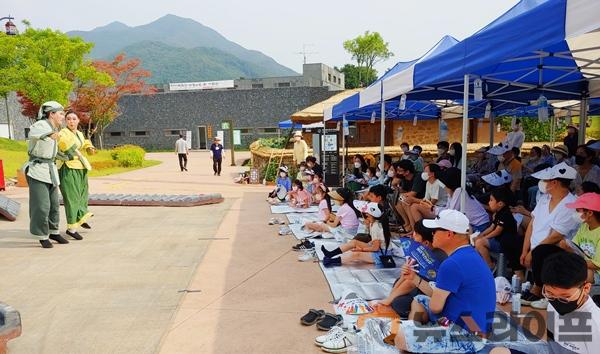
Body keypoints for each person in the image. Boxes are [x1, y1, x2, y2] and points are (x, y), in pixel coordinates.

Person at [394, 209, 496, 354]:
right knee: (419, 300)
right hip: (475, 326)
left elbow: (436, 307)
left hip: (467, 336)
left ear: (449, 234)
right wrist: (414, 279)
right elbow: (440, 296)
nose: (433, 233)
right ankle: (420, 337)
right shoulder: (470, 254)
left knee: (402, 336)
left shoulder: (452, 264)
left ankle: (418, 340)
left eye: (436, 230)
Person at [520, 162, 580, 308]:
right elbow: (532, 224)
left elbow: (555, 236)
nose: (542, 183)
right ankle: (524, 281)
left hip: (556, 249)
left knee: (542, 251)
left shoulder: (570, 205)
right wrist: (525, 250)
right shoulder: (544, 199)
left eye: (545, 180)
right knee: (510, 240)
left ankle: (538, 289)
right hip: (536, 247)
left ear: (554, 183)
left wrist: (532, 252)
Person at [371, 220, 447, 319]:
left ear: (426, 242)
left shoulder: (436, 257)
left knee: (399, 303)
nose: (412, 236)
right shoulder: (419, 251)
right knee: (398, 285)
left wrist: (389, 299)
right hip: (417, 286)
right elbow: (406, 277)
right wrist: (390, 296)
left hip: (429, 293)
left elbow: (412, 281)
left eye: (416, 234)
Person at [23, 101, 70, 248]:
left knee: (54, 205)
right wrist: (50, 134)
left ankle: (54, 232)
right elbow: (34, 133)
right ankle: (41, 235)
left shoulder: (54, 128)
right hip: (37, 171)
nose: (63, 117)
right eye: (61, 114)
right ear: (51, 113)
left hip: (50, 170)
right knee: (41, 206)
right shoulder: (41, 125)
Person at [542, 252, 600, 354]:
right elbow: (551, 343)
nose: (556, 302)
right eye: (549, 293)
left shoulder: (595, 326)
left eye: (565, 297)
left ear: (586, 288)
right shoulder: (552, 305)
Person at [57, 110, 96, 240]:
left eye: (74, 119)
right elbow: (65, 145)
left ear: (78, 120)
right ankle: (71, 228)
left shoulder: (79, 133)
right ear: (65, 121)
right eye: (68, 119)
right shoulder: (63, 133)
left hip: (81, 168)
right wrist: (77, 151)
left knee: (82, 195)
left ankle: (81, 217)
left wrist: (89, 147)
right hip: (68, 168)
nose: (71, 121)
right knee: (72, 198)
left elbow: (84, 142)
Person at [321, 201, 396, 267]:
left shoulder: (376, 226)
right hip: (378, 248)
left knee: (356, 255)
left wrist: (362, 249)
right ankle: (330, 254)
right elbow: (374, 243)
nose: (365, 214)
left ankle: (331, 261)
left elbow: (375, 248)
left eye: (366, 213)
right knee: (354, 242)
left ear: (371, 214)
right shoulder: (373, 223)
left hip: (382, 254)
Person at [415, 167, 490, 232]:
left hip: (480, 224)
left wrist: (432, 208)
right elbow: (448, 208)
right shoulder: (454, 192)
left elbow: (450, 212)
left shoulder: (459, 191)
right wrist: (433, 208)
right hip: (474, 223)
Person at [474, 187, 525, 280]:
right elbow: (491, 227)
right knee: (477, 241)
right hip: (498, 240)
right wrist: (481, 235)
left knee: (479, 243)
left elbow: (497, 231)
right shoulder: (498, 213)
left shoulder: (505, 214)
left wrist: (484, 238)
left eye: (491, 200)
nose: (489, 202)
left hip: (504, 244)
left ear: (500, 203)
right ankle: (480, 267)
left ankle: (490, 266)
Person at [561, 192, 600, 284]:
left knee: (580, 273)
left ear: (590, 213)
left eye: (578, 210)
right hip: (583, 266)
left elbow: (596, 265)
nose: (575, 213)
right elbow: (575, 248)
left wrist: (573, 261)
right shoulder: (584, 227)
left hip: (595, 273)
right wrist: (567, 248)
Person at [395, 160, 426, 234]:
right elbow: (404, 191)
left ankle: (413, 227)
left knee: (405, 200)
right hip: (413, 199)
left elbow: (413, 193)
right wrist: (395, 185)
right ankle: (407, 223)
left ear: (407, 172)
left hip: (421, 199)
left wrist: (402, 195)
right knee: (398, 199)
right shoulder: (404, 179)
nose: (398, 173)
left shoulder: (418, 177)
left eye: (400, 171)